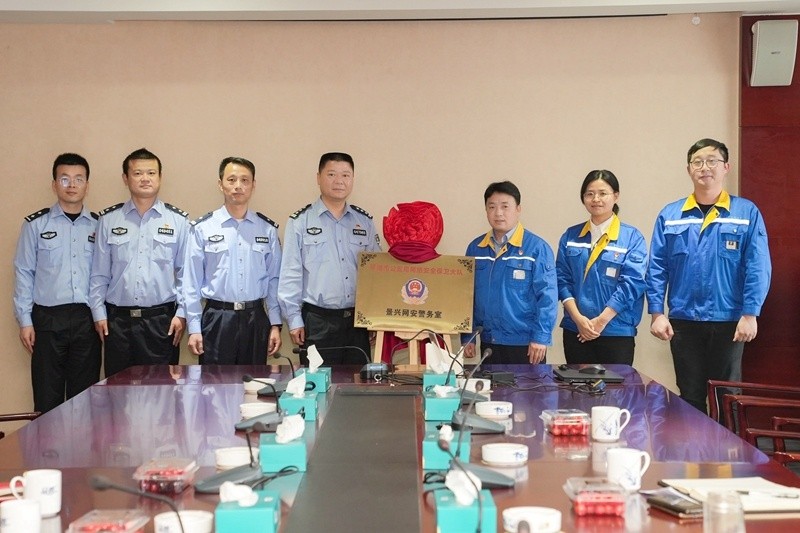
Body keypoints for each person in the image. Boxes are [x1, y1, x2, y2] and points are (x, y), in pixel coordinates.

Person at [646, 138, 771, 413]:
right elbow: (656, 267)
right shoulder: (671, 215)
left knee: (727, 397)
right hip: (684, 321)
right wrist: (656, 313)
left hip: (729, 321)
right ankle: (693, 444)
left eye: (712, 161)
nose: (705, 167)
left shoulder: (745, 212)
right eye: (698, 162)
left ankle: (726, 444)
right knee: (689, 396)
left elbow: (758, 266)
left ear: (726, 167)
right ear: (689, 169)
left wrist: (750, 313)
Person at [13, 153, 102, 413]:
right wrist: (25, 320)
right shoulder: (35, 225)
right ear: (54, 184)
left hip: (87, 320)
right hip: (48, 320)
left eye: (78, 179)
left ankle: (81, 442)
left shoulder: (99, 226)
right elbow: (24, 272)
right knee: (46, 397)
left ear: (87, 185)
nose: (71, 185)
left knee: (84, 400)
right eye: (64, 179)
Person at [89, 148, 189, 377]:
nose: (145, 178)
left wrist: (182, 313)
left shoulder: (178, 221)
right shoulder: (108, 220)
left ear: (160, 177)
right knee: (118, 391)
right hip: (117, 324)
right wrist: (98, 313)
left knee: (162, 390)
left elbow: (186, 275)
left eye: (151, 173)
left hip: (161, 323)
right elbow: (99, 273)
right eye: (138, 173)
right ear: (125, 178)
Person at [278, 152, 381, 365]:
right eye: (332, 174)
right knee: (317, 381)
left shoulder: (364, 222)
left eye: (345, 175)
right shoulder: (300, 221)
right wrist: (294, 319)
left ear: (353, 179)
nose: (339, 181)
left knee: (358, 381)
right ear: (318, 177)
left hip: (357, 323)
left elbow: (375, 275)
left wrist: (373, 319)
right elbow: (290, 273)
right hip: (317, 322)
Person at [184, 156, 282, 364]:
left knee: (255, 380)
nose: (238, 186)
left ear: (253, 185)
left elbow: (274, 280)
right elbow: (191, 282)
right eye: (231, 180)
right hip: (217, 318)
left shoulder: (267, 229)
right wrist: (194, 328)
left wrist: (275, 324)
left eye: (245, 180)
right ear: (220, 184)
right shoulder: (202, 228)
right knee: (214, 382)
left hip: (256, 318)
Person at [555, 170, 647, 365]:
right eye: (590, 194)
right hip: (576, 330)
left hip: (616, 331)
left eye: (603, 193)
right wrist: (578, 319)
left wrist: (601, 321)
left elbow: (632, 284)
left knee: (615, 385)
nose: (596, 199)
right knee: (576, 384)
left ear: (616, 196)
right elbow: (561, 279)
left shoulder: (632, 237)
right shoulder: (571, 236)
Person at [462, 181, 558, 364]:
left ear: (518, 209)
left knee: (527, 384)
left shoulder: (537, 248)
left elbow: (548, 297)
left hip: (527, 344)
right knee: (488, 384)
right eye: (492, 207)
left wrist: (540, 337)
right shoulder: (476, 248)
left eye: (505, 206)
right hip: (489, 342)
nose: (498, 213)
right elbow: (467, 296)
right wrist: (468, 336)